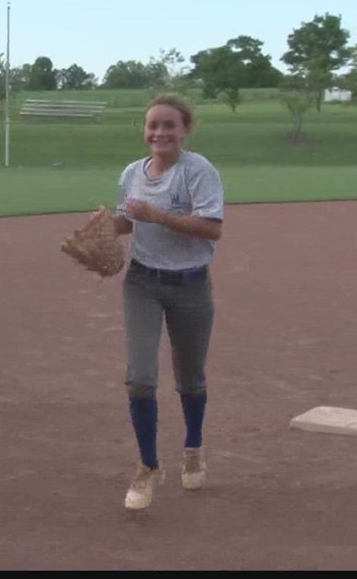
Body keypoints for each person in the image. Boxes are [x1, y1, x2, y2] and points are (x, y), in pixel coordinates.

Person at [113, 94, 224, 511]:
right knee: (140, 377)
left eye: (168, 125)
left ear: (185, 130)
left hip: (191, 285)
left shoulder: (198, 171)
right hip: (142, 281)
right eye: (152, 125)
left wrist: (156, 215)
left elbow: (212, 228)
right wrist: (108, 227)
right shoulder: (132, 173)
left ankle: (193, 447)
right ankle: (147, 466)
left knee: (190, 377)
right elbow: (129, 219)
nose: (159, 132)